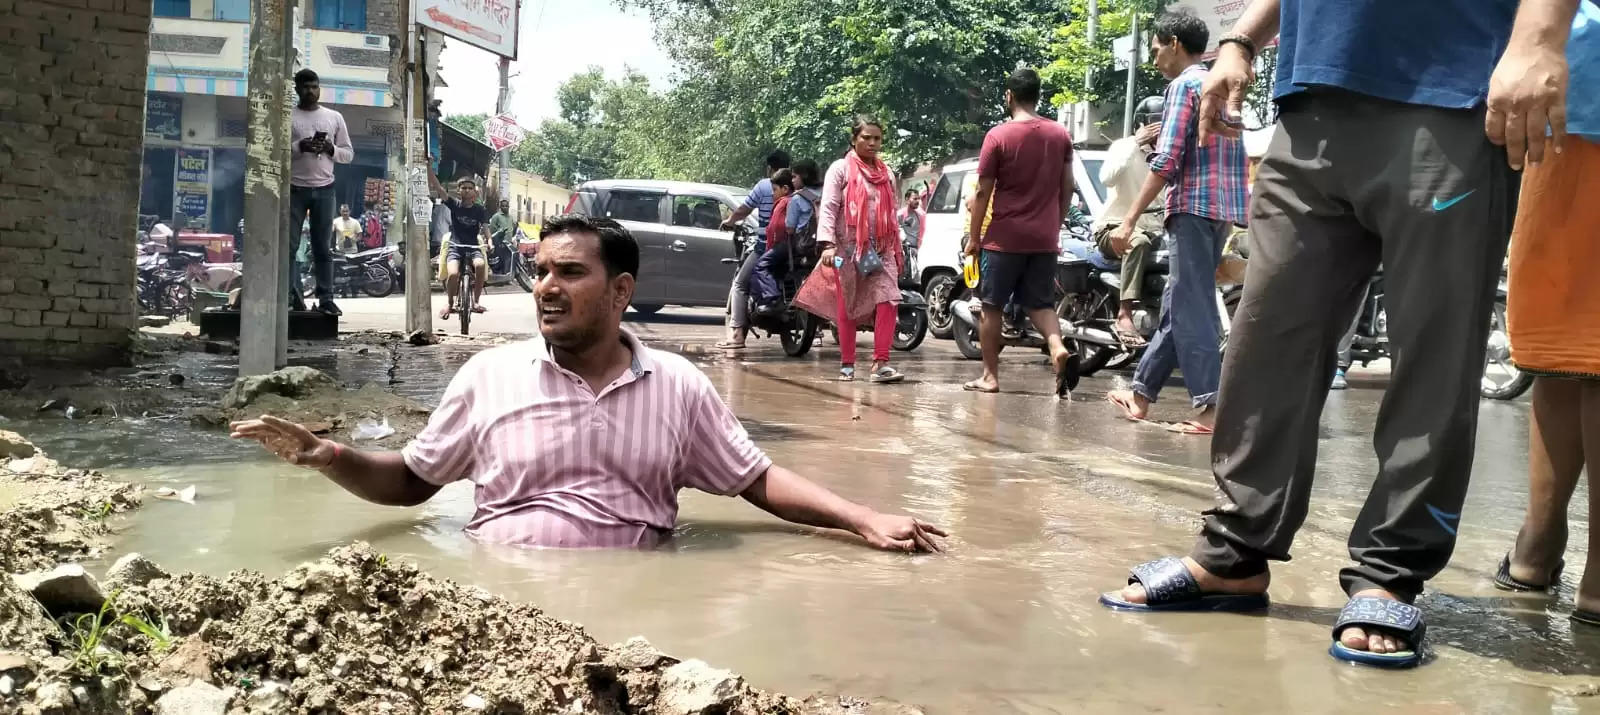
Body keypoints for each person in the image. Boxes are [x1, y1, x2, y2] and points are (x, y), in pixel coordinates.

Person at [1098, 0, 1573, 669]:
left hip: (1451, 94)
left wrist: (1540, 39)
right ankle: (1234, 550)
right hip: (1309, 99)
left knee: (1431, 353)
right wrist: (1240, 38)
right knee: (1266, 337)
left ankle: (1390, 569)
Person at [229, 214, 947, 553]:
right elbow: (416, 482)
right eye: (540, 271)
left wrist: (861, 517)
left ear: (620, 290)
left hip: (634, 609)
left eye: (570, 273)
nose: (546, 287)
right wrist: (335, 457)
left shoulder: (678, 386)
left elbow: (755, 479)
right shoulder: (488, 375)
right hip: (501, 596)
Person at [1495, 1, 1598, 625]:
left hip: (1564, 93)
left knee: (1565, 345)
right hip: (1563, 91)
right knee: (1577, 345)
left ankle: (1537, 545)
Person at [1104, 11, 1248, 434]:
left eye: (1155, 49)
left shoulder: (1183, 86)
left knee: (1194, 306)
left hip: (1191, 207)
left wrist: (1128, 221)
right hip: (1221, 210)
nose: (1154, 60)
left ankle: (1209, 408)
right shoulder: (1220, 83)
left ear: (1173, 43)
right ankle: (1142, 393)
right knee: (1178, 303)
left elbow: (1166, 160)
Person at [960, 67, 1077, 396]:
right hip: (1044, 237)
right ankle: (1056, 347)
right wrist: (1054, 223)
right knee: (1040, 304)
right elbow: (1067, 187)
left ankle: (990, 376)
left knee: (992, 306)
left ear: (1008, 96)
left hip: (1004, 238)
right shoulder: (1060, 135)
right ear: (1038, 96)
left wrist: (974, 238)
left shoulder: (998, 136)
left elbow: (981, 193)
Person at [793, 117, 905, 384]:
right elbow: (829, 208)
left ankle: (881, 363)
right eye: (866, 137)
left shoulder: (886, 173)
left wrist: (898, 248)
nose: (872, 143)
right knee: (848, 305)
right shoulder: (840, 169)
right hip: (848, 250)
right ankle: (847, 364)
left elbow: (892, 213)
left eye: (877, 138)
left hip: (880, 249)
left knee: (889, 300)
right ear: (854, 138)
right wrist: (828, 245)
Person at [1096, 97, 1167, 345]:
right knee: (1137, 242)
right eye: (1156, 123)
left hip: (1156, 230)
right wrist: (1136, 142)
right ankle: (1124, 314)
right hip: (1115, 228)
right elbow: (1106, 178)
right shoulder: (1123, 147)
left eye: (1165, 122)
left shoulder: (1167, 154)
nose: (1161, 129)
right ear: (1141, 124)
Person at [287, 68, 354, 316]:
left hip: (325, 190)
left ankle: (326, 298)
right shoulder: (288, 116)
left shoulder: (333, 117)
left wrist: (330, 148)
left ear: (319, 88)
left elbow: (348, 154)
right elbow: (275, 152)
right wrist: (299, 146)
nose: (310, 91)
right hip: (294, 189)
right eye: (305, 87)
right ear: (297, 89)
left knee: (323, 249)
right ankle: (292, 296)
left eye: (314, 86)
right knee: (290, 247)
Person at [717, 151, 791, 350]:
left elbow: (743, 209)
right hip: (792, 247)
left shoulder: (765, 185)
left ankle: (737, 335)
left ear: (769, 168)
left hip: (766, 245)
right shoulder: (793, 187)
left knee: (740, 284)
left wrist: (730, 221)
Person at [428, 171, 490, 318]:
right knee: (453, 274)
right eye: (464, 188)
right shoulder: (454, 204)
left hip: (474, 247)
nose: (467, 190)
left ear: (474, 191)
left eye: (470, 188)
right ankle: (450, 302)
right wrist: (429, 168)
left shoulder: (480, 210)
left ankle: (475, 301)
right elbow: (438, 188)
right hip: (455, 246)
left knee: (480, 265)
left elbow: (486, 227)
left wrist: (490, 242)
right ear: (458, 190)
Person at [747, 168, 799, 313]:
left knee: (760, 266)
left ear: (785, 189)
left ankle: (773, 299)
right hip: (791, 246)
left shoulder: (785, 202)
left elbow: (776, 228)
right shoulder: (794, 200)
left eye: (775, 189)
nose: (772, 193)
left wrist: (771, 246)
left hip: (783, 245)